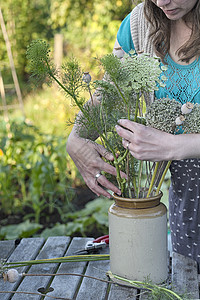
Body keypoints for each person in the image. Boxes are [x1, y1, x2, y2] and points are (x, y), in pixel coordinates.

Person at [66, 0, 200, 268]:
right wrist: (76, 140)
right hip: (188, 201)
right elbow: (111, 93)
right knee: (188, 280)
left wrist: (175, 146)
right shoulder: (140, 25)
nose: (162, 2)